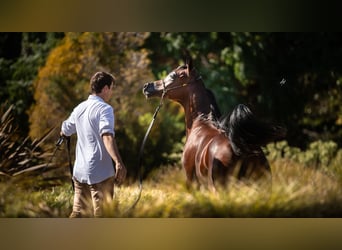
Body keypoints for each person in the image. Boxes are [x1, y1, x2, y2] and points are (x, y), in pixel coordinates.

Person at [60, 71, 127, 218]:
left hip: (80, 172)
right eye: (111, 88)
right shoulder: (105, 109)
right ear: (105, 89)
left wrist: (64, 132)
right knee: (102, 215)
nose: (111, 92)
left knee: (77, 213)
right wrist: (118, 162)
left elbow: (65, 129)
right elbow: (107, 136)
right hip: (100, 173)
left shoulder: (79, 108)